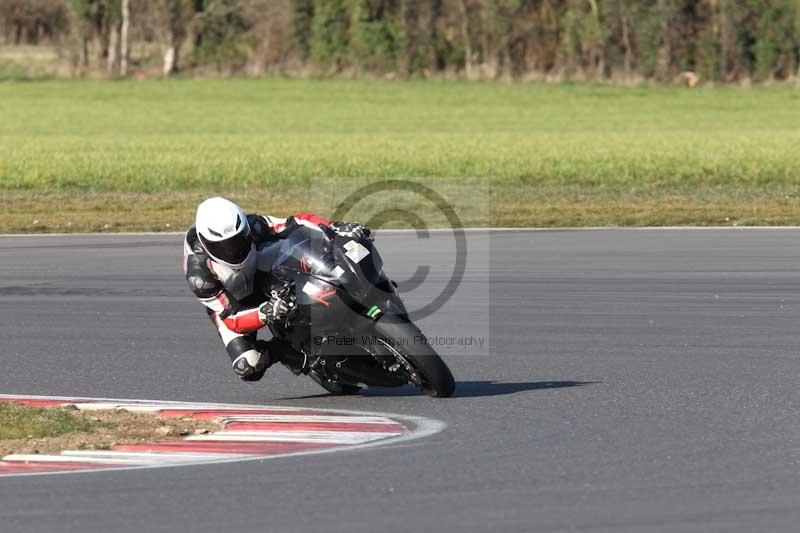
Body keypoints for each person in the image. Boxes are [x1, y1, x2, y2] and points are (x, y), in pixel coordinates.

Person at [183, 196, 368, 382]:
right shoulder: (199, 277)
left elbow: (295, 222)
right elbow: (232, 319)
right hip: (234, 303)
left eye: (238, 240)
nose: (233, 251)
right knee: (248, 366)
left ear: (245, 229)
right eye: (222, 247)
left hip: (260, 268)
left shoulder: (254, 224)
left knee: (302, 246)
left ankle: (350, 288)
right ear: (205, 244)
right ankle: (283, 351)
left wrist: (335, 227)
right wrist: (265, 312)